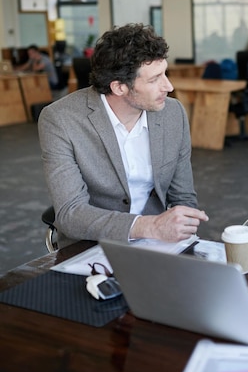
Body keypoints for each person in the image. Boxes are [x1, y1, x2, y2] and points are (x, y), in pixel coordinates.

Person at [38, 23, 208, 249]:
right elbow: (71, 213)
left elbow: (184, 197)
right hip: (91, 246)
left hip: (158, 245)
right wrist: (150, 226)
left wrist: (183, 228)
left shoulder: (173, 113)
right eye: (154, 79)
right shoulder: (60, 120)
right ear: (119, 88)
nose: (168, 86)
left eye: (165, 73)